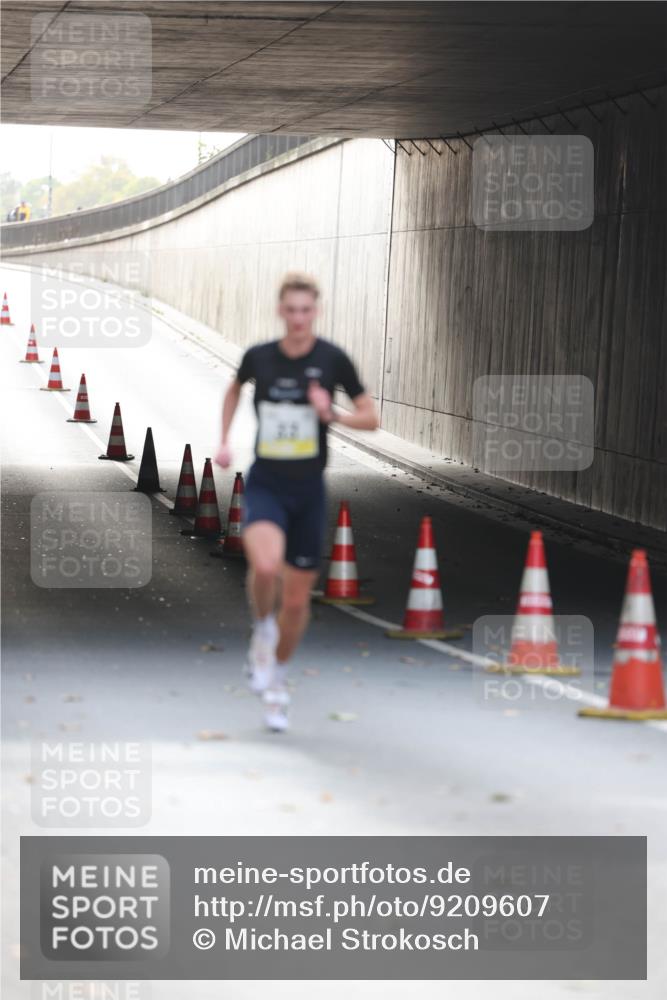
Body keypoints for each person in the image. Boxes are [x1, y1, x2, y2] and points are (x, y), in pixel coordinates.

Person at [215, 273, 378, 731]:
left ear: (316, 312)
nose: (299, 319)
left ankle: (278, 681)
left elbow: (371, 418)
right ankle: (261, 630)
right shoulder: (260, 358)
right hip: (267, 481)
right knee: (265, 567)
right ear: (280, 311)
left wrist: (333, 414)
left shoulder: (331, 360)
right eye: (291, 310)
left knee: (297, 600)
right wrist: (224, 440)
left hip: (308, 489)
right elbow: (233, 388)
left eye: (306, 311)